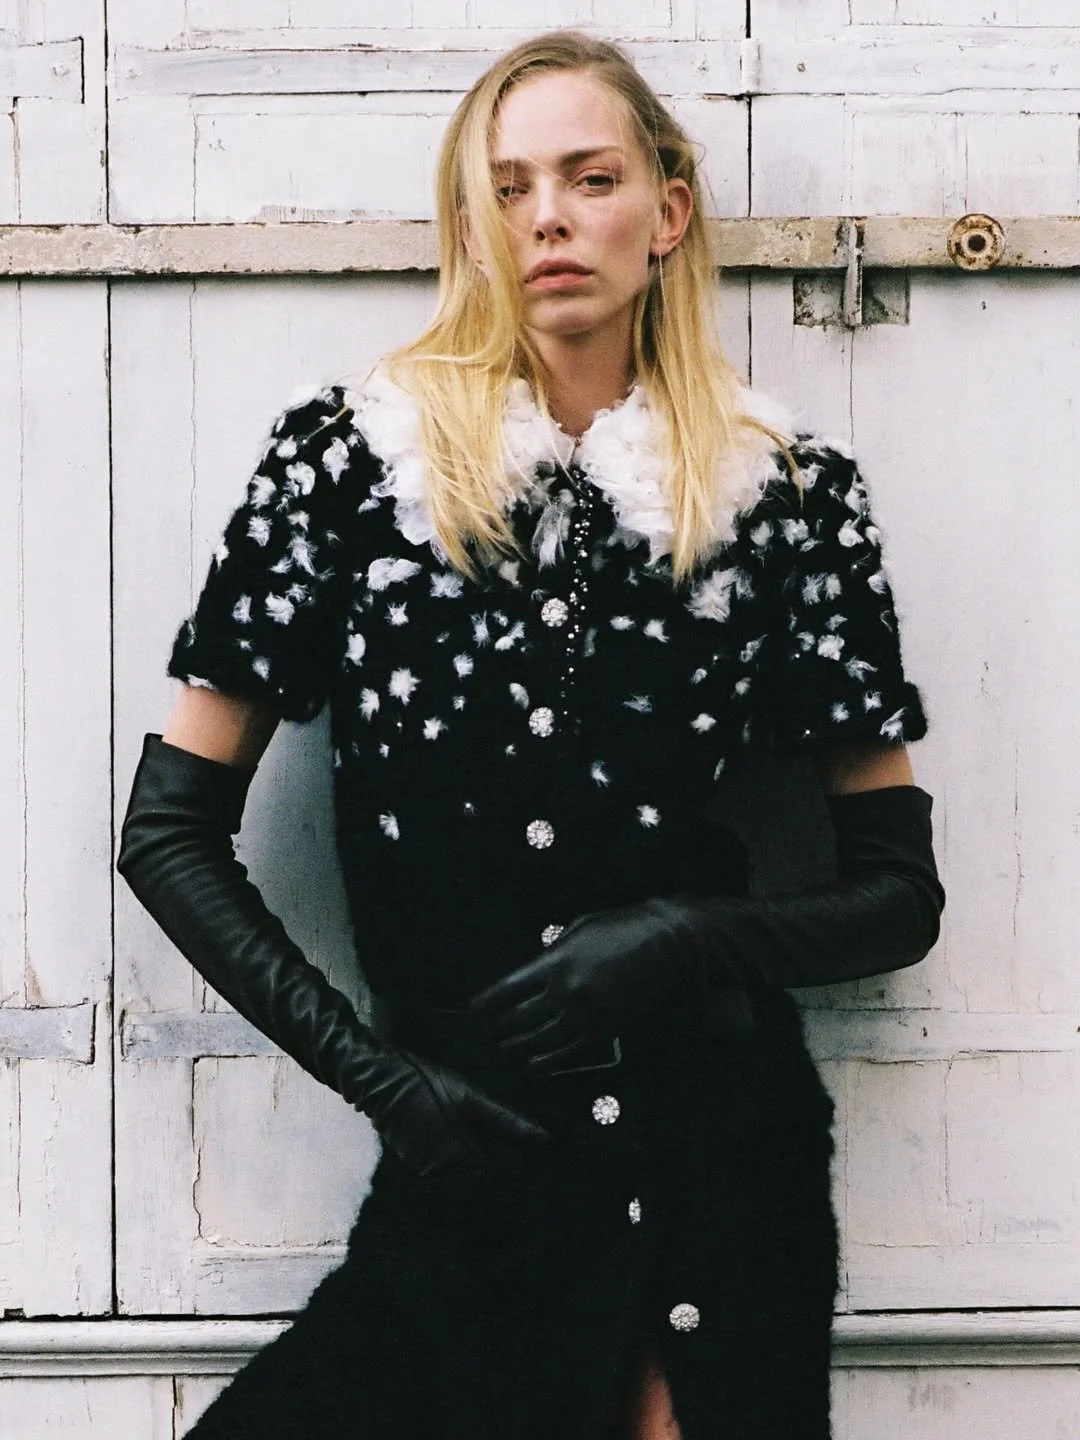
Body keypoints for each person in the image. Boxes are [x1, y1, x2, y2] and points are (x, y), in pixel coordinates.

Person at [118, 29, 944, 1440]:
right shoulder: (344, 468)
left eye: (589, 178)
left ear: (666, 212)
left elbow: (899, 894)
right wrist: (385, 1083)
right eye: (506, 189)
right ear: (470, 228)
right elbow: (167, 836)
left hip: (717, 1160)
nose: (547, 218)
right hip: (475, 1161)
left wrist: (683, 937)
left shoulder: (786, 495)